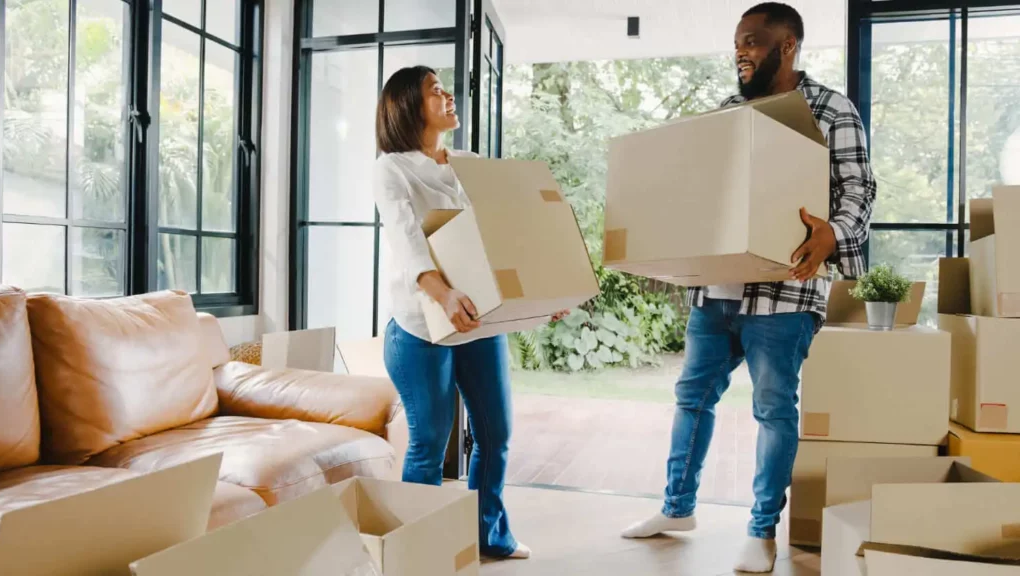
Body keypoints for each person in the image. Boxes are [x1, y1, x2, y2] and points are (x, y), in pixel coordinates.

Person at [621, 3, 877, 573]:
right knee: (692, 398)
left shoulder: (831, 109)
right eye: (738, 42)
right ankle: (676, 508)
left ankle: (761, 532)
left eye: (753, 42)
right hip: (717, 289)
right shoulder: (728, 112)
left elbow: (859, 191)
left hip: (785, 291)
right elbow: (703, 193)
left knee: (773, 408)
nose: (741, 51)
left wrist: (832, 235)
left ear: (787, 46)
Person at [374, 65, 566, 561]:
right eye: (434, 91)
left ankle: (490, 534)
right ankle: (418, 551)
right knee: (430, 442)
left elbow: (507, 230)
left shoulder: (470, 162)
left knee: (496, 434)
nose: (448, 95)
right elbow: (407, 240)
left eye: (445, 88)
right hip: (421, 330)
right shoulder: (391, 168)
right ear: (407, 106)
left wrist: (546, 291)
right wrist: (443, 295)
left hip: (478, 322)